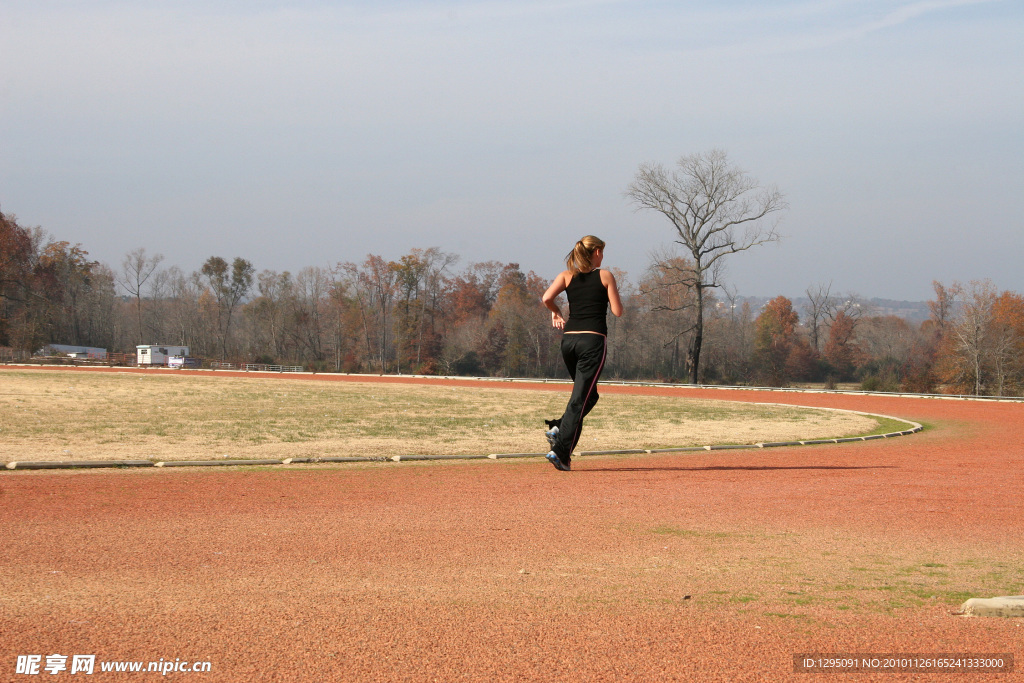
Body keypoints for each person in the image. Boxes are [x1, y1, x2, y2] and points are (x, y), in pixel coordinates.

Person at [540, 235, 623, 471]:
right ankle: (561, 451)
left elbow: (547, 298)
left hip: (569, 343)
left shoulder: (567, 275)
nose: (603, 257)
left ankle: (559, 426)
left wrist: (556, 312)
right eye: (602, 252)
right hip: (593, 341)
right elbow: (617, 311)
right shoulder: (605, 275)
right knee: (580, 399)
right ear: (595, 251)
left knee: (588, 395)